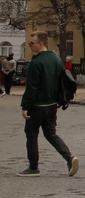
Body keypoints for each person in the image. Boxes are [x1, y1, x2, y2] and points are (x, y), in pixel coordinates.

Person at [17, 32, 79, 177]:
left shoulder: (36, 63)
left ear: (42, 43)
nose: (30, 45)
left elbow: (31, 88)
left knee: (31, 134)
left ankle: (33, 167)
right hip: (51, 105)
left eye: (32, 43)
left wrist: (25, 106)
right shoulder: (56, 60)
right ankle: (69, 157)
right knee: (51, 134)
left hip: (37, 106)